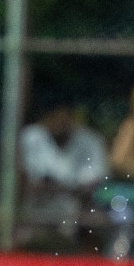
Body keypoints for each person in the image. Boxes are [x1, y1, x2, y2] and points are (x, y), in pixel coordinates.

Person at [18, 95, 109, 249]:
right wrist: (63, 188)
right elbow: (28, 184)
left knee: (99, 218)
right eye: (55, 117)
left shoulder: (90, 140)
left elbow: (91, 187)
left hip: (77, 214)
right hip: (38, 213)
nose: (61, 122)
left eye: (65, 116)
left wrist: (55, 187)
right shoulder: (31, 137)